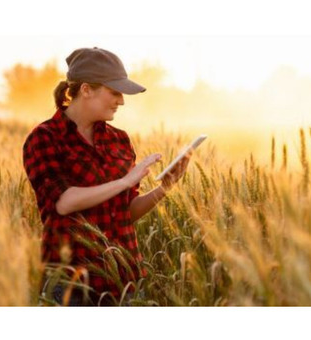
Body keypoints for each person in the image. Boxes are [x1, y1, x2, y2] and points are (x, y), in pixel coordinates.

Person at [23, 47, 191, 306]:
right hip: (71, 285)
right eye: (114, 92)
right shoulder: (44, 138)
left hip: (124, 279)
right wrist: (124, 181)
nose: (121, 101)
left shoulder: (119, 140)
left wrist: (164, 188)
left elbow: (126, 212)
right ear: (86, 89)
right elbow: (64, 202)